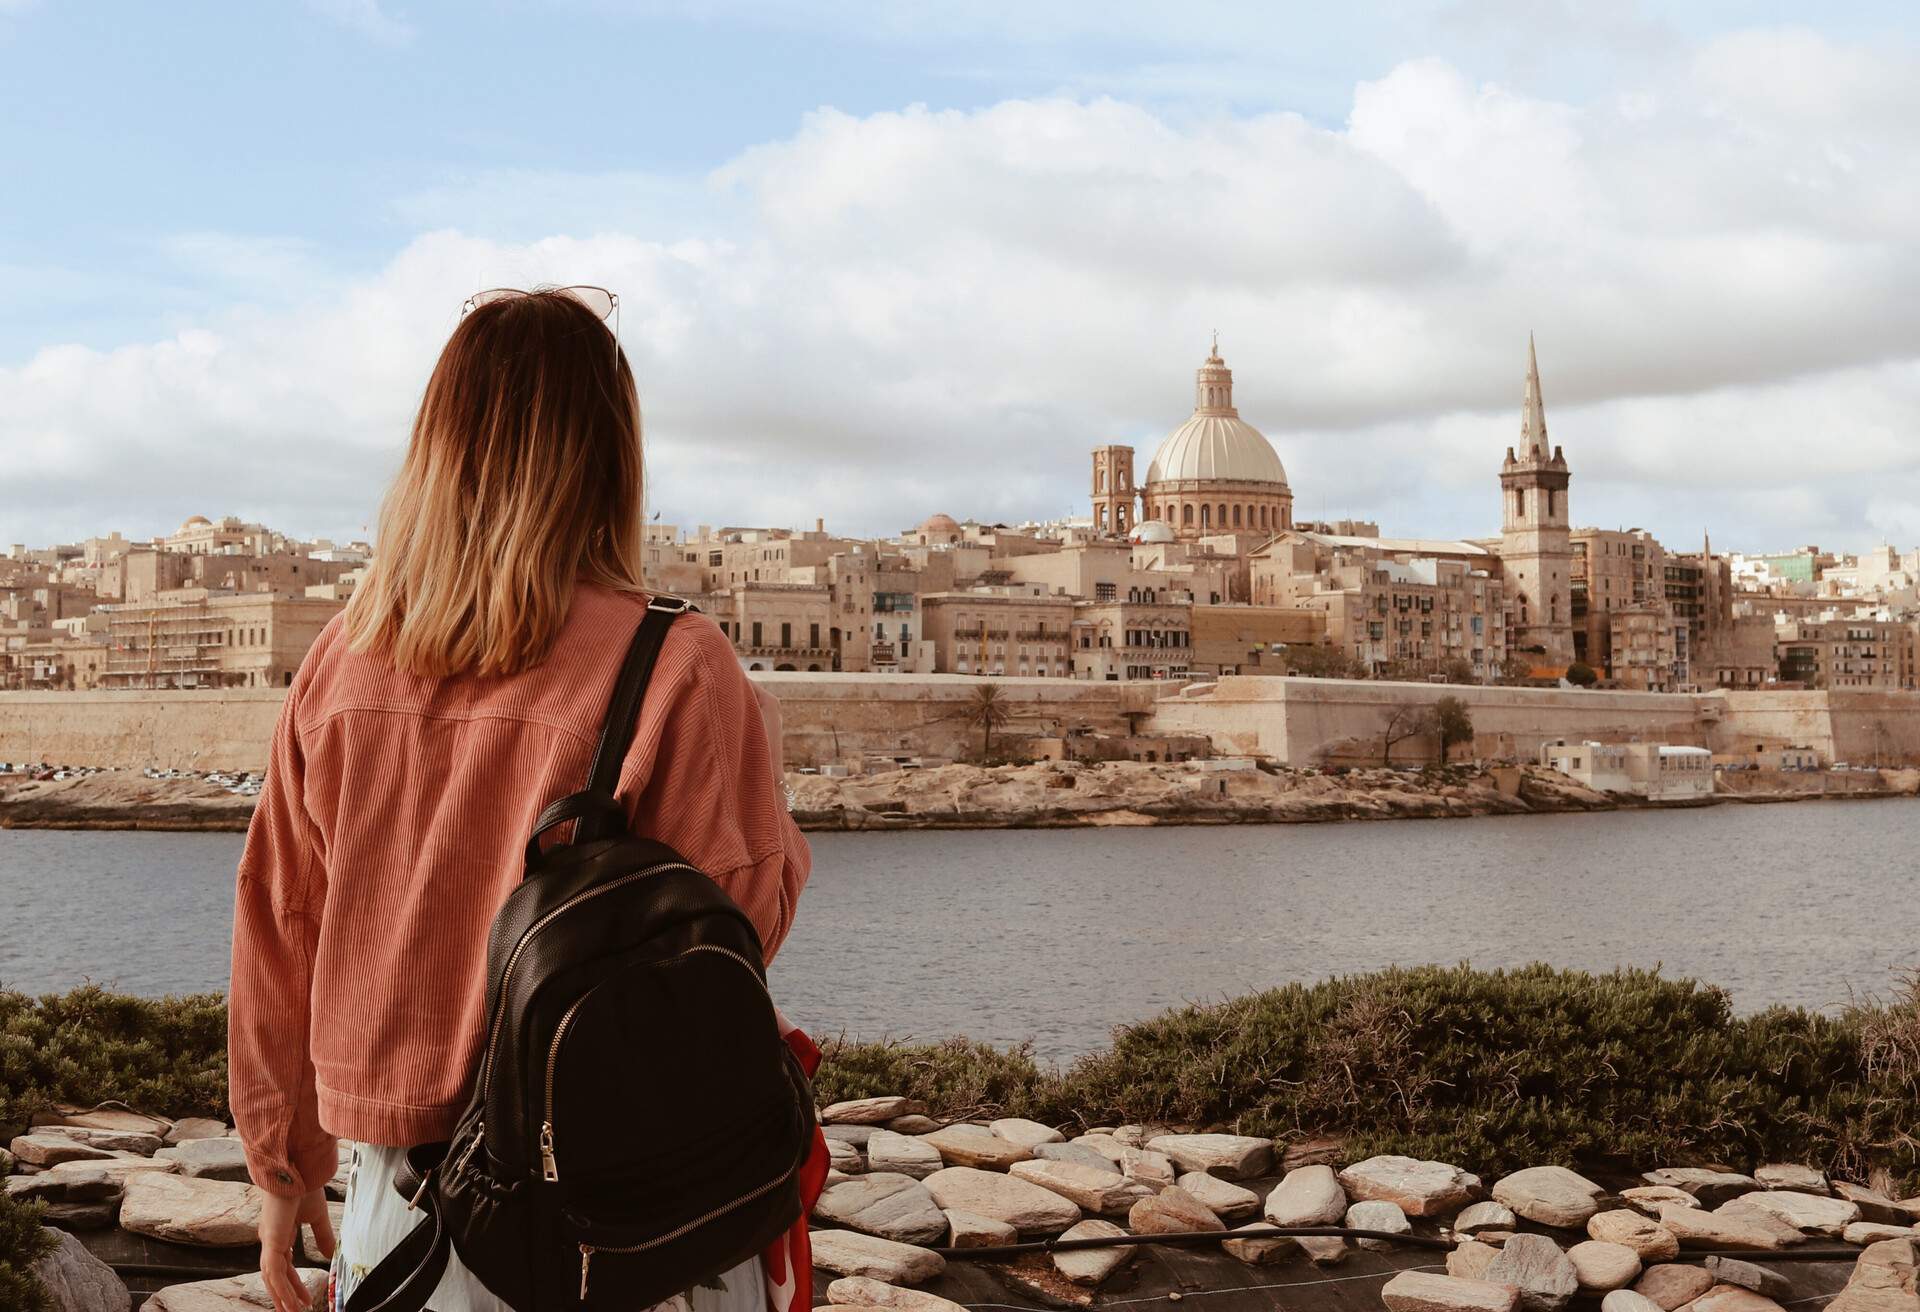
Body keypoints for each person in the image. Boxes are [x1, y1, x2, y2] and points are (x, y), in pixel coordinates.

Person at [227, 286, 812, 1312]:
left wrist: (283, 1164)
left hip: (396, 1216)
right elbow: (738, 931)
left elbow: (280, 923)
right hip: (622, 1221)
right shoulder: (675, 663)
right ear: (607, 454)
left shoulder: (337, 662)